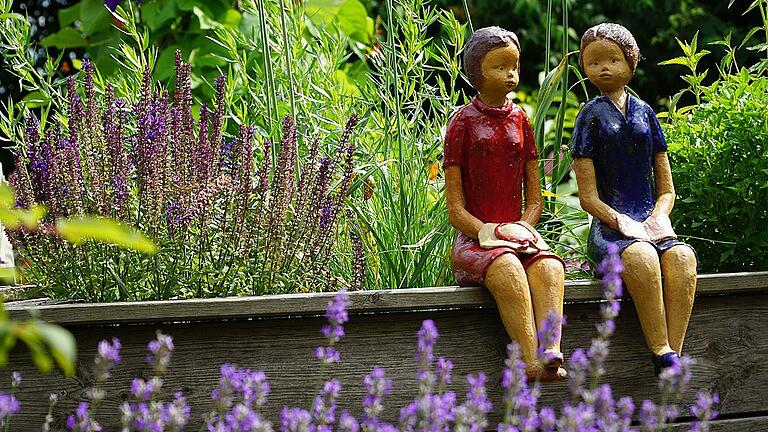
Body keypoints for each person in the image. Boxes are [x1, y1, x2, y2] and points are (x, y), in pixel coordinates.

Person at [571, 23, 697, 375]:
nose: (604, 68)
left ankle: (674, 351)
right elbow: (587, 198)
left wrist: (659, 216)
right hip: (611, 230)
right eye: (594, 61)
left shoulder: (645, 113)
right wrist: (621, 221)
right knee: (640, 256)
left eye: (613, 59)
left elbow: (666, 187)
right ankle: (659, 350)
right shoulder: (590, 116)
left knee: (683, 256)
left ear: (631, 61)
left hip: (649, 220)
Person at [444, 26, 566, 381]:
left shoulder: (521, 120)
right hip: (476, 241)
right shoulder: (462, 123)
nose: (510, 74)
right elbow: (455, 208)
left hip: (516, 233)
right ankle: (529, 361)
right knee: (509, 268)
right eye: (500, 66)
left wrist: (526, 226)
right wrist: (487, 231)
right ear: (476, 70)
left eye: (514, 66)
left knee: (550, 267)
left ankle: (552, 350)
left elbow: (535, 197)